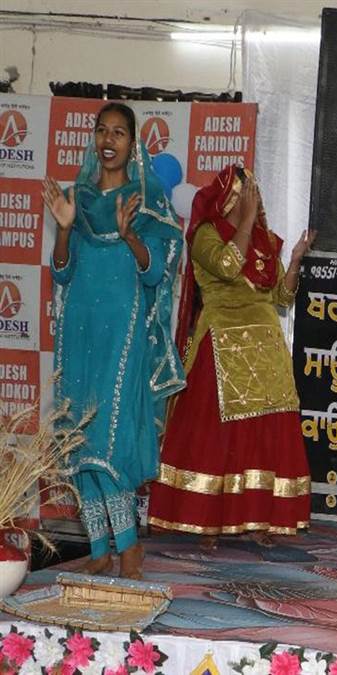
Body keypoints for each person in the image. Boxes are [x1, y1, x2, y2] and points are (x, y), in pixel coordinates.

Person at [41, 102, 184, 579]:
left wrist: (129, 236)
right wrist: (64, 230)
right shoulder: (77, 199)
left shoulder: (145, 199)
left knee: (108, 438)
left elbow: (155, 273)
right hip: (79, 328)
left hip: (122, 331)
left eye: (119, 132)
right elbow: (62, 271)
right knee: (79, 438)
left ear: (132, 142)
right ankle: (99, 548)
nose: (108, 140)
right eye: (102, 130)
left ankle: (129, 547)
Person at [148, 166, 315, 549]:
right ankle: (206, 520)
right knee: (217, 439)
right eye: (242, 194)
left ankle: (259, 518)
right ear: (225, 199)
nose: (250, 200)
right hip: (222, 347)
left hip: (267, 350)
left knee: (265, 435)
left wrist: (294, 261)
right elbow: (227, 265)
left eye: (252, 193)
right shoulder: (205, 234)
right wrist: (248, 222)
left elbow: (282, 297)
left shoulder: (264, 241)